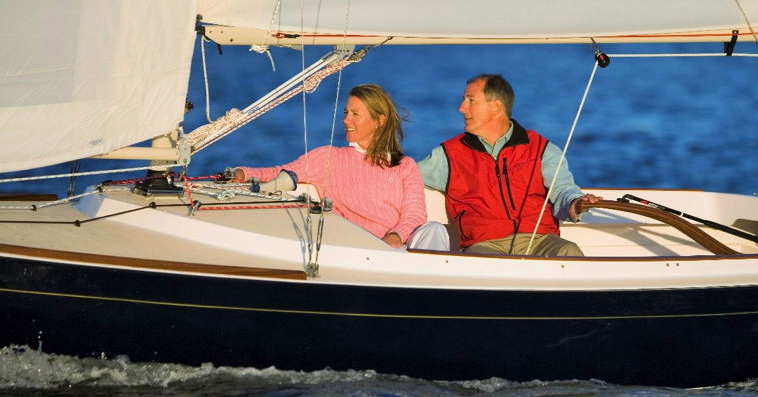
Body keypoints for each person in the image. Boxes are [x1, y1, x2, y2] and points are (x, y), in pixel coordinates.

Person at [233, 84, 449, 250]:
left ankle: (434, 289)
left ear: (379, 121)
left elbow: (414, 216)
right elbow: (279, 172)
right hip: (356, 249)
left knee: (435, 229)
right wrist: (243, 173)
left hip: (397, 248)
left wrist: (394, 237)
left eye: (355, 114)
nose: (346, 120)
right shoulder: (328, 158)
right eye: (346, 113)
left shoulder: (404, 165)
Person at [418, 74, 601, 256]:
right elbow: (407, 176)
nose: (461, 108)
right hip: (485, 245)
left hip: (539, 240)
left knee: (569, 250)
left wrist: (575, 202)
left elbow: (562, 188)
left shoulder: (541, 148)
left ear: (496, 108)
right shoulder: (448, 154)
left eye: (471, 100)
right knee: (480, 262)